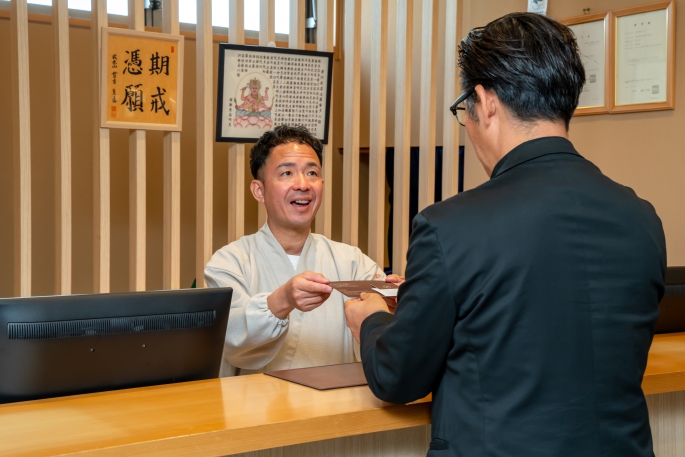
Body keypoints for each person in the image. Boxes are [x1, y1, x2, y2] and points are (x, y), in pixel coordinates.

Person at [344, 12, 666, 457]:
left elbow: (399, 377)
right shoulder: (640, 217)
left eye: (465, 112)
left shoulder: (450, 225)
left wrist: (371, 319)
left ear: (485, 101)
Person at [205, 125, 397, 376]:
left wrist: (395, 304)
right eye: (287, 173)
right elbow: (228, 339)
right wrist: (281, 300)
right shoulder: (230, 262)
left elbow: (386, 340)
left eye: (312, 173)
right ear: (259, 190)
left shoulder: (351, 260)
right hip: (258, 412)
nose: (303, 184)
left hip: (336, 408)